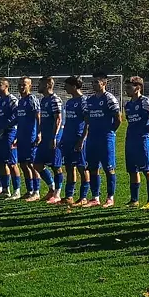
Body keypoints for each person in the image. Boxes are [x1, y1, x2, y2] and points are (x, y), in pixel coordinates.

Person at [85, 73, 122, 208]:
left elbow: (118, 118)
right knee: (93, 168)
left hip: (106, 138)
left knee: (108, 168)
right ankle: (95, 197)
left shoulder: (109, 99)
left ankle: (110, 197)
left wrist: (109, 131)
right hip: (92, 137)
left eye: (97, 82)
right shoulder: (90, 100)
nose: (94, 84)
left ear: (104, 83)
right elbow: (87, 118)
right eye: (93, 82)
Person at [124, 77, 149, 209]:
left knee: (147, 170)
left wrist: (147, 134)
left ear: (137, 87)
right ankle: (134, 200)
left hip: (142, 140)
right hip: (130, 140)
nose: (126, 90)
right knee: (133, 170)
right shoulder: (128, 105)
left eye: (128, 87)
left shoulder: (145, 102)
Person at [60, 76, 90, 206]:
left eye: (66, 85)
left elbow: (87, 123)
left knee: (82, 168)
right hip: (68, 138)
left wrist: (82, 140)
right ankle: (69, 196)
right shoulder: (69, 102)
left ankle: (83, 197)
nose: (64, 88)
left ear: (73, 86)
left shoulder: (84, 101)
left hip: (78, 139)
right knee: (69, 167)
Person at [13, 78, 43, 201]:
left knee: (32, 164)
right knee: (23, 164)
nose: (21, 87)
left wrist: (39, 133)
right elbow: (19, 121)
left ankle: (36, 191)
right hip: (21, 137)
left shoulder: (32, 99)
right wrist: (16, 136)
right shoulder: (20, 101)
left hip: (31, 136)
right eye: (19, 85)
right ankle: (29, 190)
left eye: (24, 85)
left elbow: (38, 117)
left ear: (30, 86)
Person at [37, 77, 64, 204]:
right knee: (37, 164)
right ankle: (52, 188)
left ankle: (57, 194)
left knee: (56, 166)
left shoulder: (55, 99)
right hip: (45, 137)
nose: (38, 85)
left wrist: (54, 137)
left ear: (48, 85)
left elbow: (58, 119)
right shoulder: (43, 100)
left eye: (40, 83)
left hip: (54, 138)